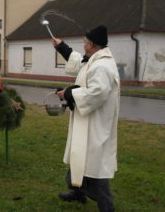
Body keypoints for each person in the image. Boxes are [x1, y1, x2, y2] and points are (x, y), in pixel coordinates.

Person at [52, 25, 120, 212]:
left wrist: (68, 93)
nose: (83, 45)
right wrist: (62, 47)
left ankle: (107, 206)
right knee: (79, 155)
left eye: (84, 42)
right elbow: (80, 63)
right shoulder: (95, 59)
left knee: (94, 163)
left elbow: (97, 93)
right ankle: (78, 192)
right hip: (86, 118)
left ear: (91, 44)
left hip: (95, 121)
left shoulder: (102, 66)